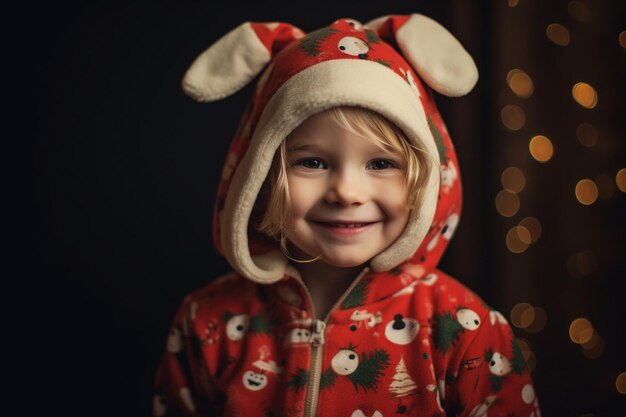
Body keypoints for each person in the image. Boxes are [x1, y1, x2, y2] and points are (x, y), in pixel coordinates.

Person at [153, 14, 540, 417]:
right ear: (259, 175)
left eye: (380, 164)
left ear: (426, 182)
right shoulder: (208, 322)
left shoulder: (465, 329)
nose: (347, 193)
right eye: (314, 162)